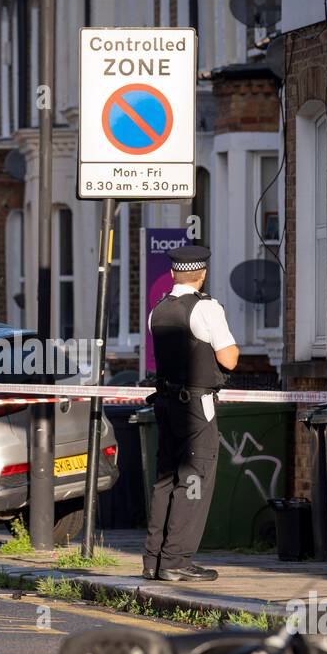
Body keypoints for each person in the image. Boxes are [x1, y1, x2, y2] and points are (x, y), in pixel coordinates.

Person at [142, 245, 239, 582]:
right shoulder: (207, 308)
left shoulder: (157, 311)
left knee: (165, 481)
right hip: (196, 407)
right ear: (203, 274)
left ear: (172, 275)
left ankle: (153, 560)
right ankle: (176, 561)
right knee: (194, 481)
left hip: (166, 403)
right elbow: (229, 359)